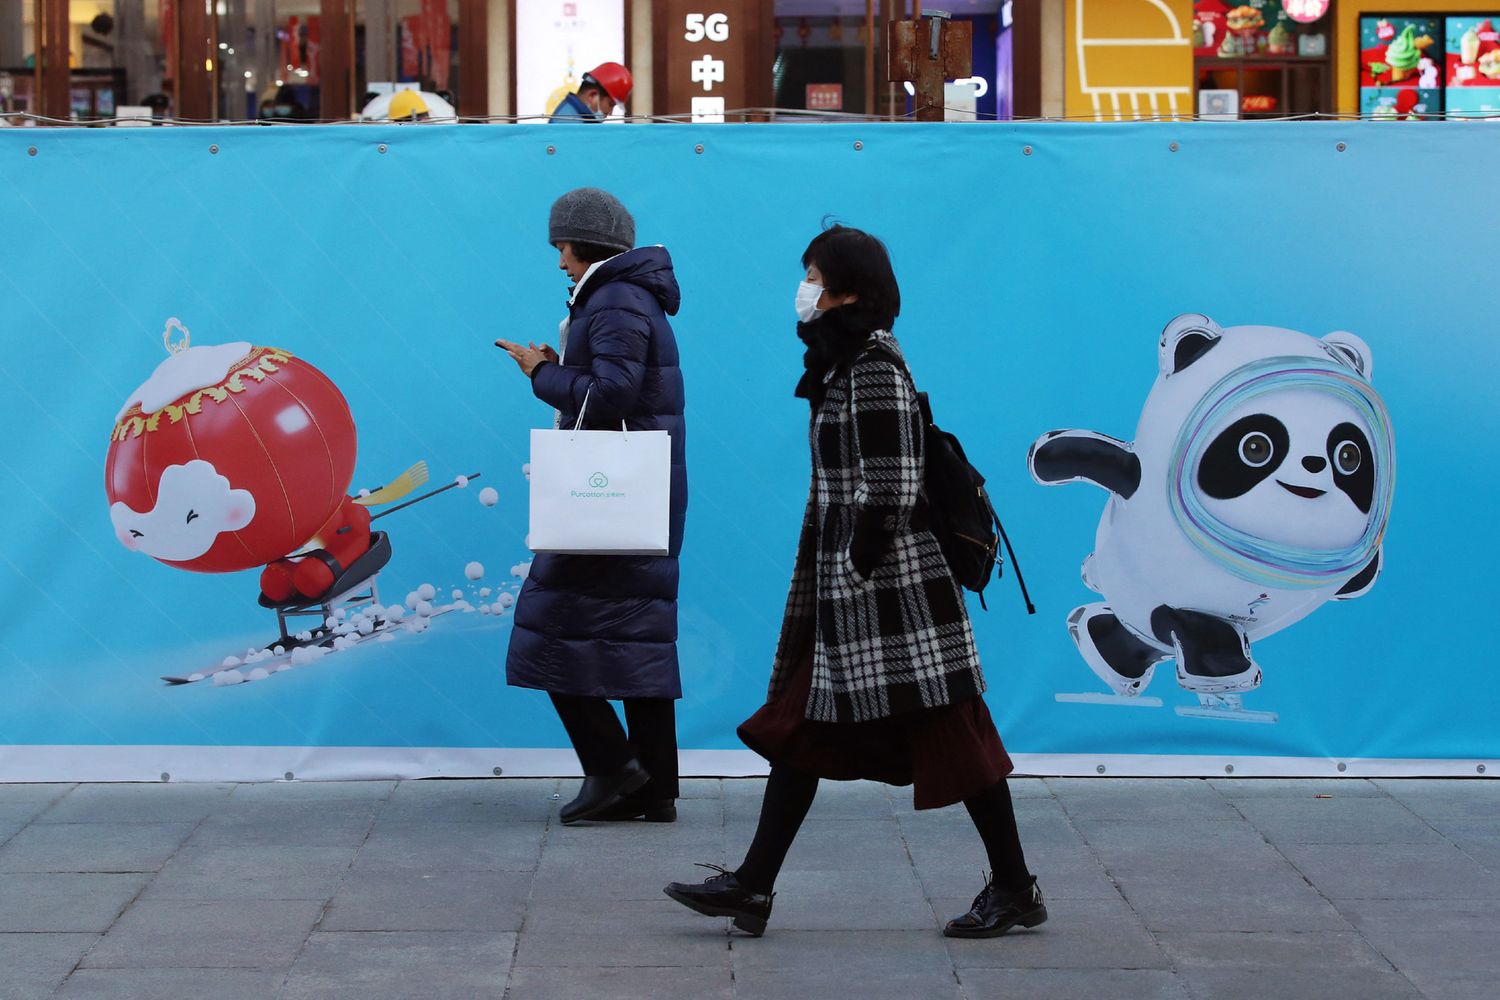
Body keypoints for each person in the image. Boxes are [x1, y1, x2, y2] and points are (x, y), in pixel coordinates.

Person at [663, 225, 1044, 939]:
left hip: (894, 595)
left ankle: (1018, 887)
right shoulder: (845, 363)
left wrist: (858, 565)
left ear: (851, 290)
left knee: (956, 735)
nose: (803, 289)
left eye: (814, 275)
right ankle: (752, 885)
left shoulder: (872, 366)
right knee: (802, 730)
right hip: (860, 594)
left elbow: (894, 487)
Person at [495, 188, 687, 825]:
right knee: (640, 635)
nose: (559, 263)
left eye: (562, 248)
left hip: (603, 493)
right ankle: (653, 788)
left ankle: (611, 769)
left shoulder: (612, 300)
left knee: (548, 628)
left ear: (585, 244)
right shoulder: (628, 298)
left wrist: (538, 374)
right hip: (638, 493)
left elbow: (611, 394)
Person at [550, 62, 632, 122]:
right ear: (592, 96)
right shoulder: (568, 122)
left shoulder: (579, 117)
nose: (610, 113)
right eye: (610, 104)